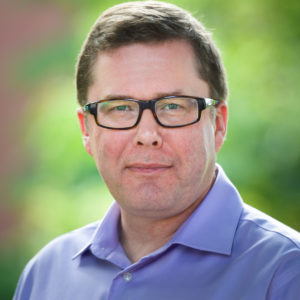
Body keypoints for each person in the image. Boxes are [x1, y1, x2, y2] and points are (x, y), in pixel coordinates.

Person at [14, 1, 300, 299]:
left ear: (218, 124)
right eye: (121, 107)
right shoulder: (45, 275)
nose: (147, 135)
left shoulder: (286, 273)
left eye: (173, 106)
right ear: (87, 130)